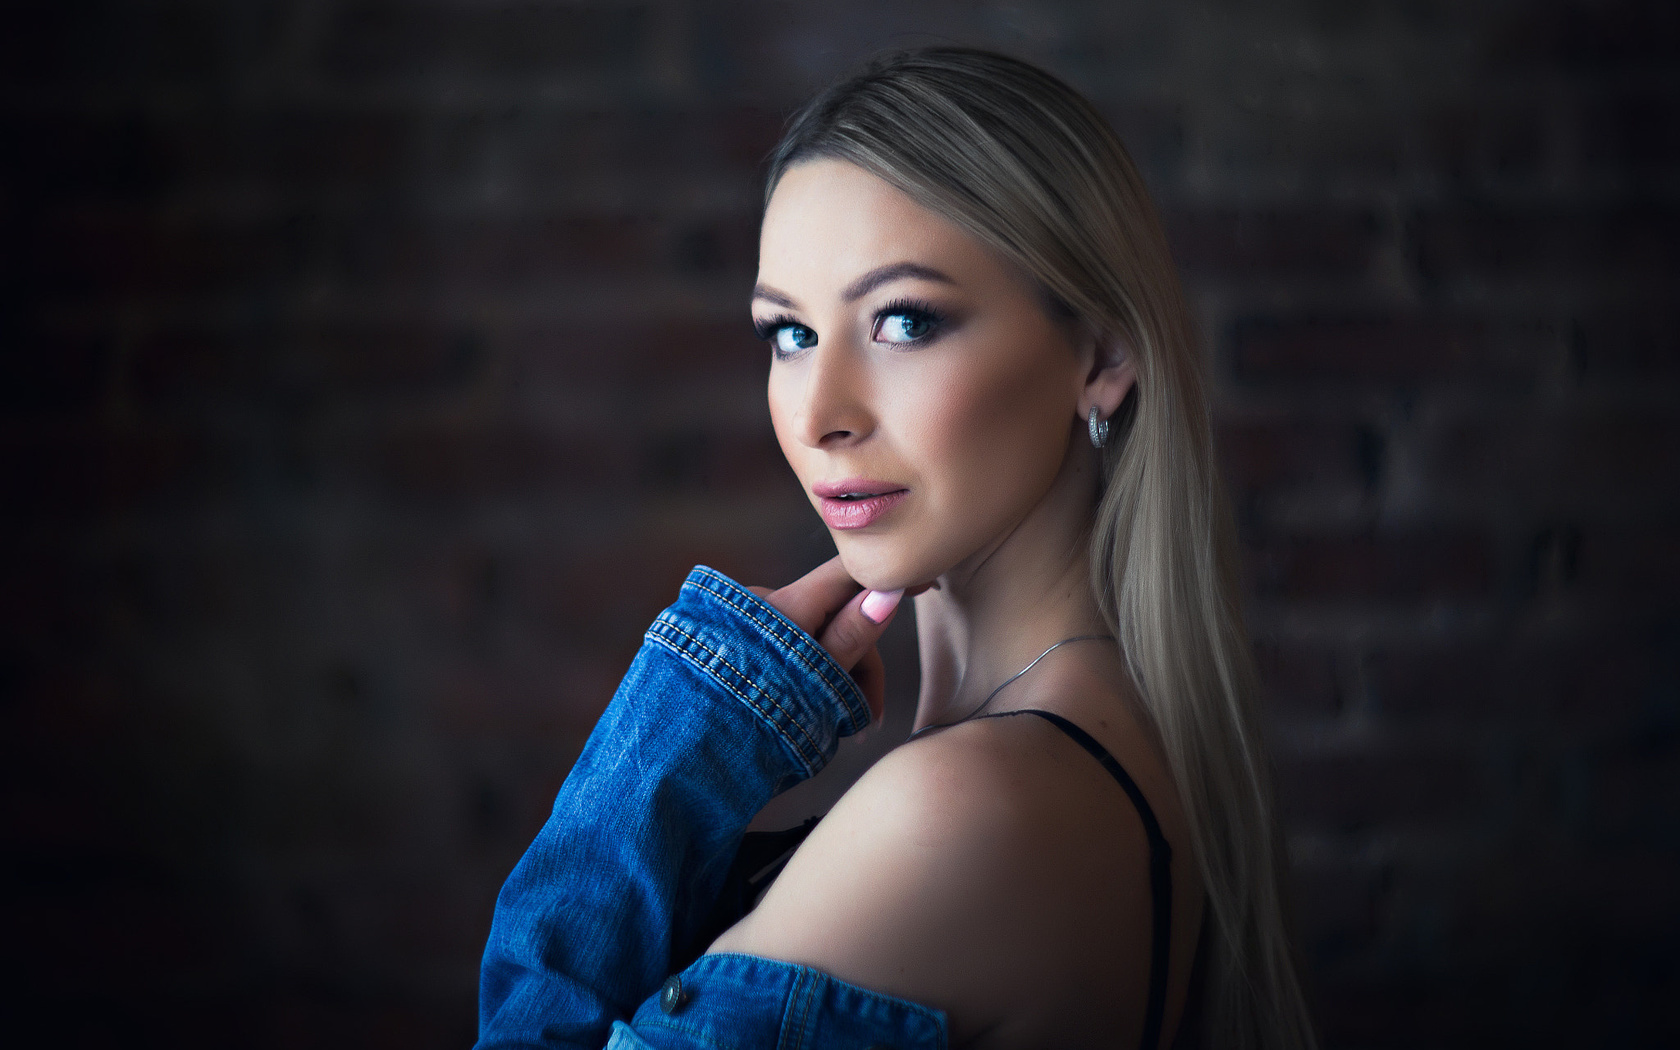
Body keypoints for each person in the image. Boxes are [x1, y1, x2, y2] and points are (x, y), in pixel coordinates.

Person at [475, 47, 1317, 1050]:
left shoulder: (963, 812)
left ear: (1100, 355)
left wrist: (691, 723)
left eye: (904, 321)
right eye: (788, 335)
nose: (821, 412)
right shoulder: (1120, 743)